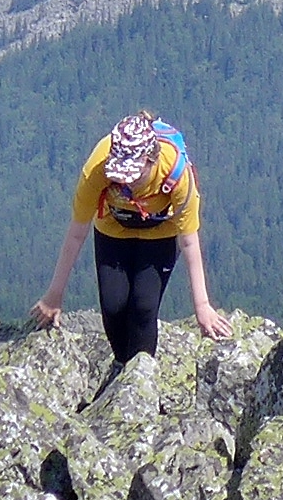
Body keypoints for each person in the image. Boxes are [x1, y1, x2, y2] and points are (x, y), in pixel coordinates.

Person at [32, 110, 231, 362]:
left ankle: (140, 376)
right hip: (113, 229)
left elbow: (189, 240)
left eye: (133, 174)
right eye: (121, 175)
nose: (127, 183)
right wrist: (54, 294)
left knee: (143, 307)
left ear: (151, 160)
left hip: (162, 233)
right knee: (113, 307)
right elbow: (76, 234)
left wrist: (202, 307)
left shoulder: (177, 174)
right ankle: (123, 367)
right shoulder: (98, 167)